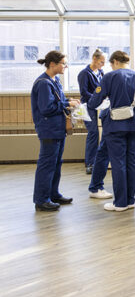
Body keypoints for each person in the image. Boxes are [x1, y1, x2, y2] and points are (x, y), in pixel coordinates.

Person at [87, 51, 135, 212]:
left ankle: (120, 203)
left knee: (118, 161)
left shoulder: (109, 77)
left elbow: (94, 102)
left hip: (115, 125)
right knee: (132, 160)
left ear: (115, 61)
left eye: (111, 64)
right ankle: (130, 200)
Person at [31, 51, 80, 212]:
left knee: (56, 163)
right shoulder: (43, 83)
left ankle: (53, 194)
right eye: (63, 63)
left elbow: (57, 101)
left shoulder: (54, 80)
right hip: (49, 129)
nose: (65, 66)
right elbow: (46, 108)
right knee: (47, 164)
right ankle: (41, 199)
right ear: (52, 64)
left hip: (57, 129)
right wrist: (67, 105)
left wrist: (68, 102)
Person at [77, 49, 105, 174]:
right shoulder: (84, 73)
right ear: (94, 59)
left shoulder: (100, 72)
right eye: (101, 62)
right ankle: (89, 163)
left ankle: (97, 161)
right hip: (88, 107)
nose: (103, 65)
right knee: (93, 133)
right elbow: (84, 92)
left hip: (99, 106)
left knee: (98, 133)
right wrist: (97, 98)